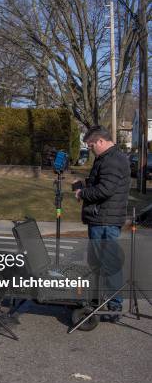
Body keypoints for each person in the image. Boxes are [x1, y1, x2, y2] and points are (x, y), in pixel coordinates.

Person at [73, 125, 130, 321]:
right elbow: (104, 184)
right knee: (97, 262)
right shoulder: (108, 158)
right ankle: (100, 300)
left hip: (104, 220)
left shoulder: (112, 160)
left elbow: (105, 190)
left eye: (90, 146)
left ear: (100, 142)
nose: (90, 150)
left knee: (109, 263)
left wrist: (82, 193)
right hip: (102, 218)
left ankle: (114, 307)